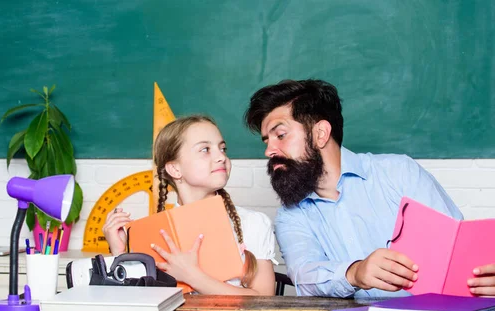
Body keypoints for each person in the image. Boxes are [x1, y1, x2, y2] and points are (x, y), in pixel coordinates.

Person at [243, 79, 495, 298]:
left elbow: (457, 252)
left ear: (320, 133)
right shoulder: (291, 215)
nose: (269, 151)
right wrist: (355, 272)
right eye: (267, 141)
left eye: (281, 135)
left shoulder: (399, 173)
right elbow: (304, 277)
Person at [103, 115, 277, 295]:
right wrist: (121, 253)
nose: (221, 157)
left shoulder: (253, 223)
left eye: (223, 148)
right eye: (205, 149)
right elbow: (138, 303)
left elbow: (264, 299)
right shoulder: (152, 234)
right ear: (175, 169)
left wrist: (192, 276)